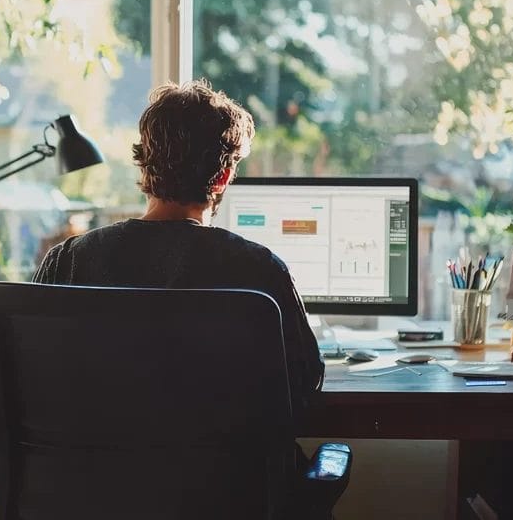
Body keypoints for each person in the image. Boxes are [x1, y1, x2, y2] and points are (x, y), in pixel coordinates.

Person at [32, 79, 323, 424]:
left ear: (143, 165)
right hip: (224, 476)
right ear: (223, 177)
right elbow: (304, 386)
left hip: (95, 473)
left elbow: (34, 378)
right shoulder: (261, 271)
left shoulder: (69, 262)